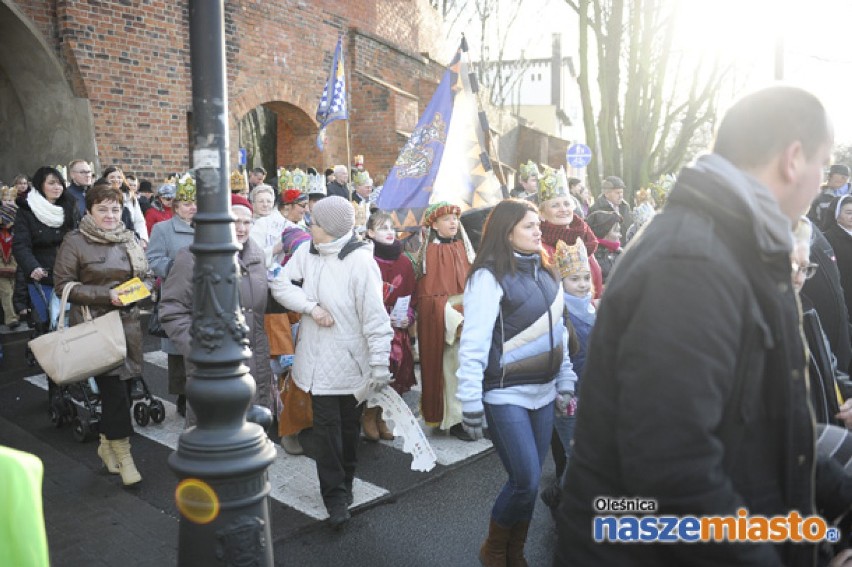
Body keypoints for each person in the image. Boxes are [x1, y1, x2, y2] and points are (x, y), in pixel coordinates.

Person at [555, 85, 834, 566]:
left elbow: (762, 426)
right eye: (823, 167)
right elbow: (673, 469)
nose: (822, 184)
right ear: (793, 159)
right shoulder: (694, 261)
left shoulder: (732, 246)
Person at [456, 199, 576, 566]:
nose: (538, 230)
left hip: (543, 395)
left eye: (538, 224)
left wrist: (565, 379)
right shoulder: (487, 276)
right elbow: (473, 342)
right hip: (505, 394)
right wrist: (470, 400)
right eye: (529, 226)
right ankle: (493, 549)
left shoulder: (548, 271)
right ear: (506, 232)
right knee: (524, 480)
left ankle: (515, 552)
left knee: (531, 480)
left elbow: (559, 335)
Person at [270, 195, 393, 529]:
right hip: (314, 361)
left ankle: (347, 482)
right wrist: (310, 307)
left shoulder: (360, 261)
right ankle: (335, 496)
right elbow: (279, 283)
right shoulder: (306, 251)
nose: (309, 224)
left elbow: (374, 316)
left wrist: (380, 364)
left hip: (351, 362)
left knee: (349, 430)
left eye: (315, 222)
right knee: (326, 433)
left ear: (332, 228)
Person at [53, 183, 152, 486]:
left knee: (123, 390)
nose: (110, 215)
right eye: (102, 209)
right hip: (94, 325)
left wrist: (139, 290)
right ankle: (124, 455)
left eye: (114, 208)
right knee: (114, 393)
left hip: (129, 324)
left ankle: (106, 445)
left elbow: (145, 276)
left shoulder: (129, 238)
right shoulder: (75, 242)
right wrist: (106, 296)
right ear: (89, 211)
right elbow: (63, 285)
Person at [159, 195, 273, 421]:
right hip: (212, 365)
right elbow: (172, 310)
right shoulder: (192, 258)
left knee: (253, 438)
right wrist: (201, 347)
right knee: (214, 436)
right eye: (234, 221)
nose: (241, 228)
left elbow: (260, 305)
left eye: (247, 222)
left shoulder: (256, 255)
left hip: (255, 362)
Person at [414, 201, 476, 439]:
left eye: (455, 218)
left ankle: (472, 412)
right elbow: (427, 299)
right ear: (434, 224)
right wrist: (453, 319)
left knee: (470, 368)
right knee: (451, 371)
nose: (453, 222)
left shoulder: (465, 248)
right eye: (447, 219)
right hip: (449, 321)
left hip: (469, 314)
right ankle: (454, 418)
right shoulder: (428, 255)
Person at [146, 174, 197, 417]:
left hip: (205, 294)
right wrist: (177, 268)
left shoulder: (208, 227)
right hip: (179, 293)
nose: (192, 207)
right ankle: (182, 395)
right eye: (187, 203)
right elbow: (154, 259)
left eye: (195, 202)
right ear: (175, 206)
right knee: (179, 348)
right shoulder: (163, 229)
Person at [364, 212, 417, 441]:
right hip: (373, 326)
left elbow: (411, 297)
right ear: (370, 233)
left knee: (395, 372)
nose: (389, 232)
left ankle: (382, 415)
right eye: (382, 228)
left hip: (397, 328)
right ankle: (368, 413)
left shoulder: (404, 261)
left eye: (391, 228)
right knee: (375, 371)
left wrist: (408, 316)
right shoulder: (366, 259)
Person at [12, 166, 80, 310]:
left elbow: (78, 239)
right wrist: (33, 267)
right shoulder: (27, 210)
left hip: (69, 275)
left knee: (71, 322)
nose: (57, 187)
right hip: (41, 278)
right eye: (51, 183)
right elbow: (20, 245)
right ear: (40, 185)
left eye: (60, 183)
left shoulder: (69, 207)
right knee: (48, 324)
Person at [537, 165, 603, 298]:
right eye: (555, 205)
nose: (563, 209)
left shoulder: (584, 239)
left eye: (566, 204)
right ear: (542, 213)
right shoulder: (540, 248)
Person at [103, 166, 148, 246]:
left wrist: (142, 238)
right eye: (112, 177)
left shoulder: (130, 197)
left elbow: (139, 220)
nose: (116, 180)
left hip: (130, 239)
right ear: (105, 179)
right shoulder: (101, 197)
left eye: (119, 177)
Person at [588, 175, 632, 245]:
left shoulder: (625, 207)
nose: (621, 196)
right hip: (605, 252)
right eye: (617, 193)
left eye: (622, 192)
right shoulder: (596, 210)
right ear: (607, 194)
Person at [584, 210, 622, 284]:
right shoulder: (590, 256)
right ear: (603, 233)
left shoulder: (620, 252)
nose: (620, 235)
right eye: (616, 231)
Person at [0, 185, 18, 329]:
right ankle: (10, 317)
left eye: (11, 199)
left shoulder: (19, 215)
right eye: (5, 199)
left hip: (14, 254)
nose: (8, 202)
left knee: (14, 287)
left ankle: (16, 314)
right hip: (2, 256)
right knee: (5, 290)